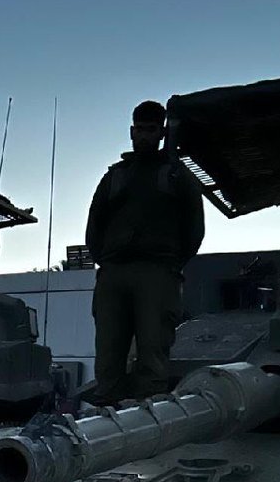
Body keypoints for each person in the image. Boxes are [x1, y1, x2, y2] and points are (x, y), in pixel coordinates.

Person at [85, 100, 205, 407]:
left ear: (161, 133)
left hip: (157, 272)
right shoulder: (115, 176)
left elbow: (195, 228)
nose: (143, 136)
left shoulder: (177, 176)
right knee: (108, 353)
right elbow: (94, 222)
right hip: (114, 272)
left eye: (150, 130)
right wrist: (106, 260)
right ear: (130, 131)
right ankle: (104, 425)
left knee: (152, 352)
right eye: (138, 130)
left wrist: (170, 263)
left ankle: (148, 427)